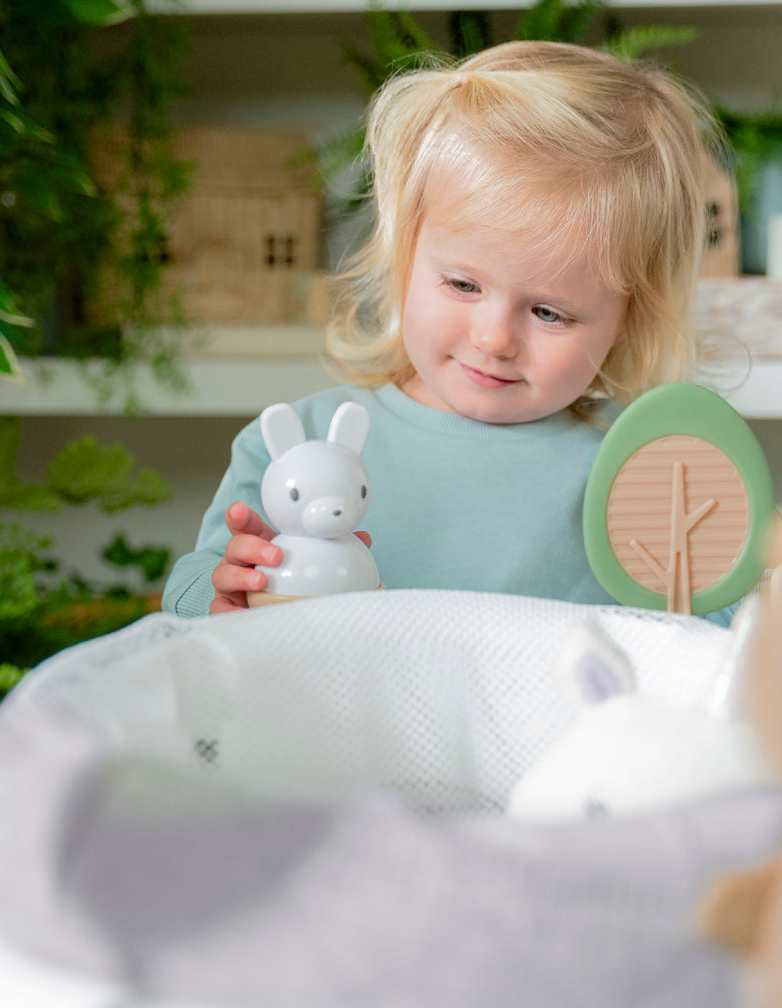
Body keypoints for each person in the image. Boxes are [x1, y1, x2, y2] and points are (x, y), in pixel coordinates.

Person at [163, 40, 729, 621]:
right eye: (463, 285)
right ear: (404, 255)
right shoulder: (301, 442)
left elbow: (720, 626)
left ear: (630, 318)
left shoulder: (640, 469)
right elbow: (185, 594)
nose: (493, 339)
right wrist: (223, 591)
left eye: (549, 313)